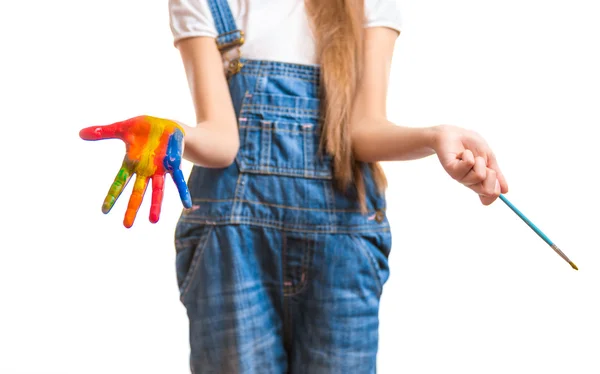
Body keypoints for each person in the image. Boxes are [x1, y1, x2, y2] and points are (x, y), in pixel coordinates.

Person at [85, 0, 507, 372]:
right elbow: (221, 141)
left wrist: (435, 137)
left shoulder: (368, 4)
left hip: (344, 239)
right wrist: (172, 132)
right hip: (232, 241)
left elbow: (362, 132)